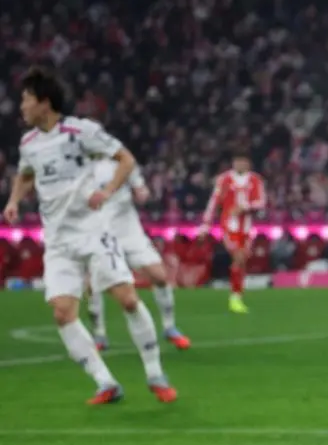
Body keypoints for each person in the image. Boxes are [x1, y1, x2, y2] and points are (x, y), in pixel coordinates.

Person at [4, 67, 177, 405]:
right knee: (62, 313)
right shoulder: (29, 143)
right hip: (58, 241)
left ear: (44, 102)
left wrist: (108, 191)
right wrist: (13, 201)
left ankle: (155, 372)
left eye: (26, 99)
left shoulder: (81, 131)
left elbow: (125, 159)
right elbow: (25, 175)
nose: (21, 106)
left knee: (127, 299)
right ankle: (105, 382)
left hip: (93, 232)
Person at [88, 160, 191, 351]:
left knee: (159, 276)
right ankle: (99, 334)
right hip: (100, 234)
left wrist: (142, 193)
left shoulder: (124, 163)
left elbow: (141, 191)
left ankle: (169, 327)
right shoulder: (81, 166)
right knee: (93, 284)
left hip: (130, 232)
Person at [200, 150, 266, 314]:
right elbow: (214, 202)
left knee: (242, 261)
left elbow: (261, 202)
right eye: (237, 161)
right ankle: (235, 299)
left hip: (247, 228)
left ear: (248, 164)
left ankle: (237, 295)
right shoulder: (224, 180)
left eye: (243, 161)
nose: (239, 164)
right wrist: (205, 226)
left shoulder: (255, 180)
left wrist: (245, 207)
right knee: (238, 257)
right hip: (229, 226)